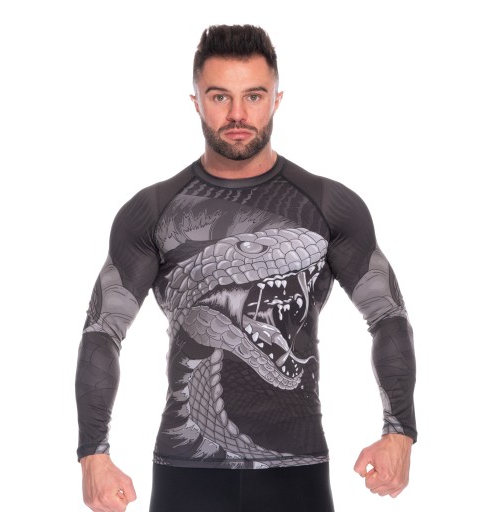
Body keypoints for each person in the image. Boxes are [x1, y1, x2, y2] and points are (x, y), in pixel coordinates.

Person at [75, 24, 416, 512]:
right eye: (220, 96)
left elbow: (387, 316)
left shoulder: (329, 205)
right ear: (196, 101)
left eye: (253, 96)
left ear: (277, 99)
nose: (237, 114)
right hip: (186, 475)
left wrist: (399, 432)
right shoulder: (152, 211)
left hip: (298, 473)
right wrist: (93, 454)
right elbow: (103, 330)